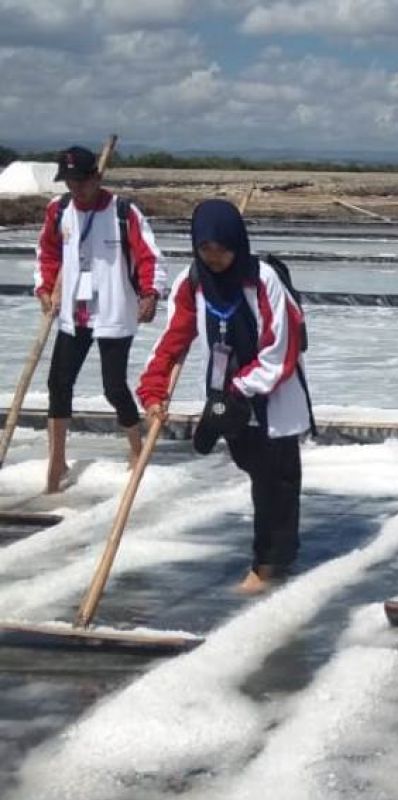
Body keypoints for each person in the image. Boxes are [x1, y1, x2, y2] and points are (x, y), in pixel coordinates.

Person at [138, 199, 311, 594]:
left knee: (275, 480)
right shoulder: (192, 281)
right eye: (206, 249)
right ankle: (278, 550)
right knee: (255, 470)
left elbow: (279, 349)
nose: (215, 258)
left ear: (238, 242)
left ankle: (267, 564)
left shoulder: (263, 279)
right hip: (225, 397)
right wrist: (154, 389)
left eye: (222, 249)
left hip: (271, 394)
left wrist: (240, 387)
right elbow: (173, 340)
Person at [34, 145, 164, 493]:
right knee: (58, 385)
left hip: (113, 310)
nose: (76, 189)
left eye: (81, 181)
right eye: (69, 183)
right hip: (74, 312)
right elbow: (47, 252)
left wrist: (150, 293)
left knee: (113, 387)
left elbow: (148, 255)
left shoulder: (123, 211)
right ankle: (57, 458)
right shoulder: (59, 210)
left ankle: (136, 449)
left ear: (97, 177)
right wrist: (45, 288)